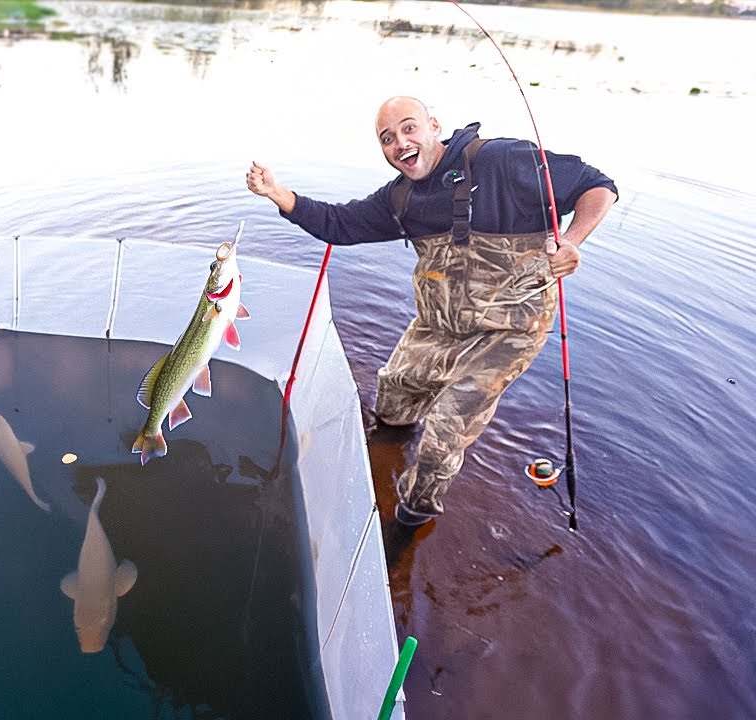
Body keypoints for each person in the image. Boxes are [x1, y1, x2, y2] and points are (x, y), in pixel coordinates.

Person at [246, 96, 617, 531]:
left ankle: (408, 521)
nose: (400, 143)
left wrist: (571, 241)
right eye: (387, 139)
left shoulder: (501, 161)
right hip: (437, 323)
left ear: (434, 126)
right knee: (394, 392)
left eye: (409, 128)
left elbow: (597, 185)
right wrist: (276, 192)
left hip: (509, 329)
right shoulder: (401, 199)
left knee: (444, 429)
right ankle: (386, 449)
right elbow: (338, 225)